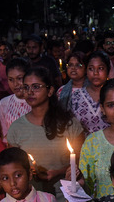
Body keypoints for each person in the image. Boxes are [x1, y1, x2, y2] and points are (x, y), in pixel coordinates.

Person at [7, 66, 84, 195]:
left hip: (66, 196)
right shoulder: (16, 128)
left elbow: (82, 161)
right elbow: (13, 167)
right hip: (33, 198)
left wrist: (58, 172)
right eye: (26, 87)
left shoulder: (69, 124)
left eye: (36, 87)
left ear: (50, 91)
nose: (30, 92)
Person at [69, 51, 111, 135]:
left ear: (108, 70)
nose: (95, 73)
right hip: (84, 146)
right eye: (91, 69)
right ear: (86, 71)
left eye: (100, 68)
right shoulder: (76, 97)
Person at [0, 58, 31, 143]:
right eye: (11, 80)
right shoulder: (4, 103)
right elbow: (5, 135)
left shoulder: (36, 101)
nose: (15, 84)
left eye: (19, 78)